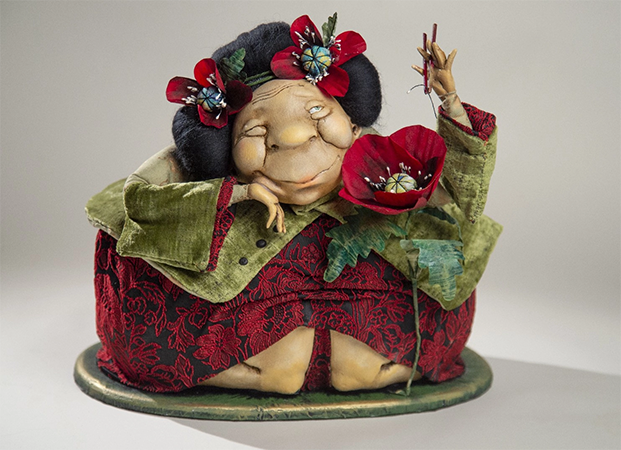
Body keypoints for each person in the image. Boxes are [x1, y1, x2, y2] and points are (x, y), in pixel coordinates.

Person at [86, 16, 501, 394]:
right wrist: (237, 192)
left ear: (353, 122)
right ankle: (244, 372)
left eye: (317, 110)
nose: (294, 137)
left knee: (358, 367)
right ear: (228, 151)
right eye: (255, 129)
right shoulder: (231, 180)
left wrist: (451, 104)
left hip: (361, 273)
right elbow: (141, 197)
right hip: (254, 288)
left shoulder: (380, 167)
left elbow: (457, 192)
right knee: (279, 365)